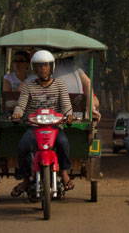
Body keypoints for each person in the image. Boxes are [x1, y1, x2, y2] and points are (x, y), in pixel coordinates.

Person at [11, 49, 75, 195]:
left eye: (45, 65)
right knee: (23, 146)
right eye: (39, 66)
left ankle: (64, 173)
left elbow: (66, 106)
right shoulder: (29, 85)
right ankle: (26, 179)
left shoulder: (60, 85)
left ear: (51, 67)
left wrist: (69, 115)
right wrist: (18, 113)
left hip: (55, 127)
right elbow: (21, 104)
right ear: (34, 68)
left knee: (63, 143)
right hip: (34, 127)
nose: (42, 69)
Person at [53, 53, 101, 122]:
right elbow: (88, 82)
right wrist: (91, 109)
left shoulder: (53, 69)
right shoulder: (76, 69)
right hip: (76, 114)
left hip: (57, 114)